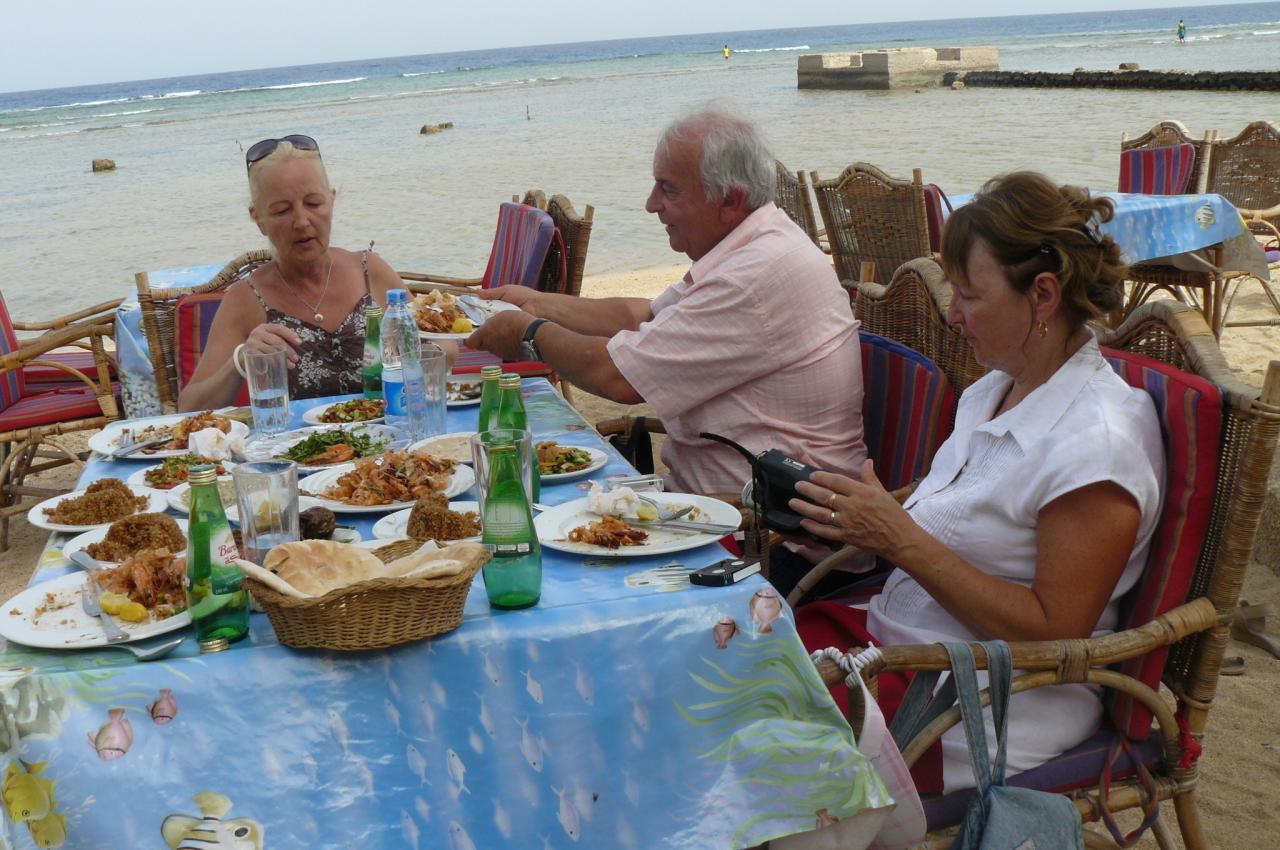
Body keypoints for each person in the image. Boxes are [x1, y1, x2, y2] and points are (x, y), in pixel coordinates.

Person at [793, 172, 1165, 792]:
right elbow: (962, 514)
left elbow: (1054, 635)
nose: (952, 314)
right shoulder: (994, 390)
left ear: (1043, 295)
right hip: (898, 646)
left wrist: (899, 539)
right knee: (722, 654)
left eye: (969, 295)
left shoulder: (1097, 446)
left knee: (740, 718)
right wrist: (862, 520)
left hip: (981, 705)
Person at [465, 107, 866, 496]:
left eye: (668, 188)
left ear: (730, 199)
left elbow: (618, 377)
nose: (651, 203)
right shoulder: (753, 245)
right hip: (719, 505)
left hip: (772, 538)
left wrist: (527, 333)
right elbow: (643, 314)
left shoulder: (756, 274)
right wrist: (536, 301)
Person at [179, 136, 404, 411]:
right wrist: (240, 361)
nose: (301, 221)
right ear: (258, 219)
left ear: (332, 201)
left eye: (314, 203)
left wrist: (444, 341)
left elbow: (440, 352)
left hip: (389, 446)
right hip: (298, 451)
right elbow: (189, 408)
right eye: (282, 210)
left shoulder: (370, 272)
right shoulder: (246, 299)